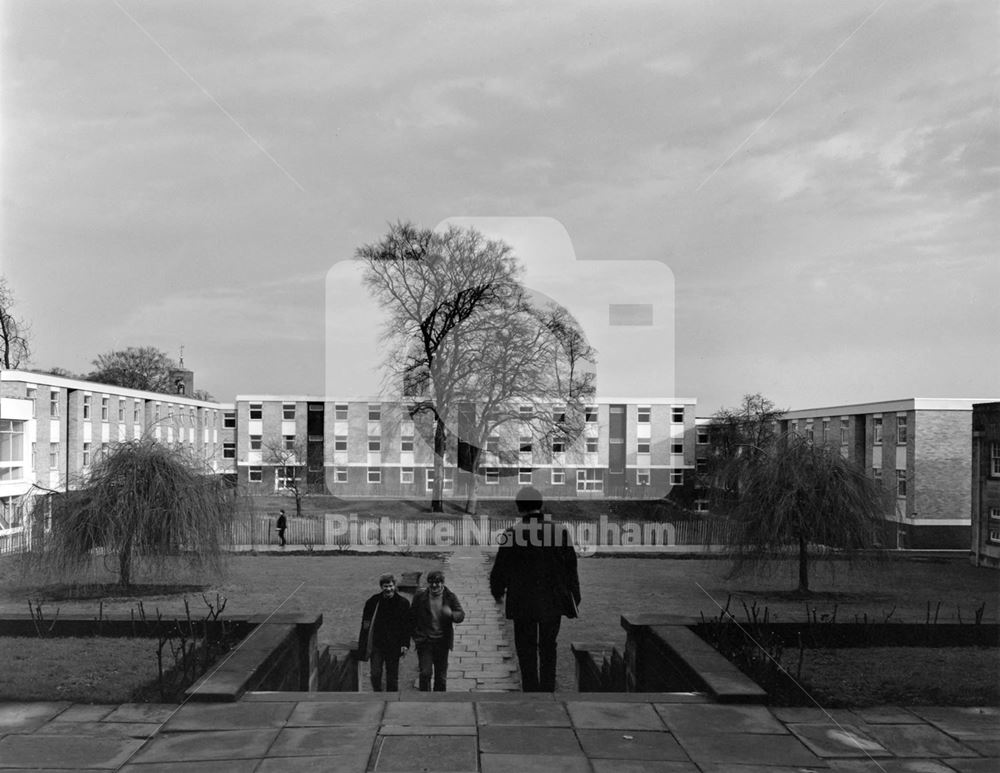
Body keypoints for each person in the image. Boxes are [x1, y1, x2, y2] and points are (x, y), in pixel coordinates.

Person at [490, 486, 581, 692]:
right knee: (549, 645)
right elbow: (571, 567)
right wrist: (574, 597)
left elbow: (500, 569)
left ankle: (530, 690)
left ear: (519, 508)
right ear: (540, 505)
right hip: (552, 600)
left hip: (522, 602)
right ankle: (548, 689)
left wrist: (498, 591)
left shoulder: (512, 533)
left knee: (525, 648)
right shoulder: (559, 531)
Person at [409, 570, 465, 691]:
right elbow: (411, 617)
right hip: (425, 641)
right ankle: (425, 699)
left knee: (441, 677)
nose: (434, 585)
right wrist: (416, 636)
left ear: (442, 583)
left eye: (437, 583)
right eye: (431, 583)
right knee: (425, 673)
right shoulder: (420, 596)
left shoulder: (450, 596)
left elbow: (460, 614)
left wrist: (451, 614)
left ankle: (439, 702)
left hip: (442, 642)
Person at [356, 574, 411, 691]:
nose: (388, 589)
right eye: (385, 586)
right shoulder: (372, 602)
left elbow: (407, 626)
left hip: (394, 645)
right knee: (375, 674)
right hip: (377, 645)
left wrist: (405, 644)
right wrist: (363, 644)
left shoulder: (403, 603)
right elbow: (365, 625)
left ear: (394, 586)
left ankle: (392, 701)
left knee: (392, 677)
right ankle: (378, 696)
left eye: (391, 586)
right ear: (381, 587)